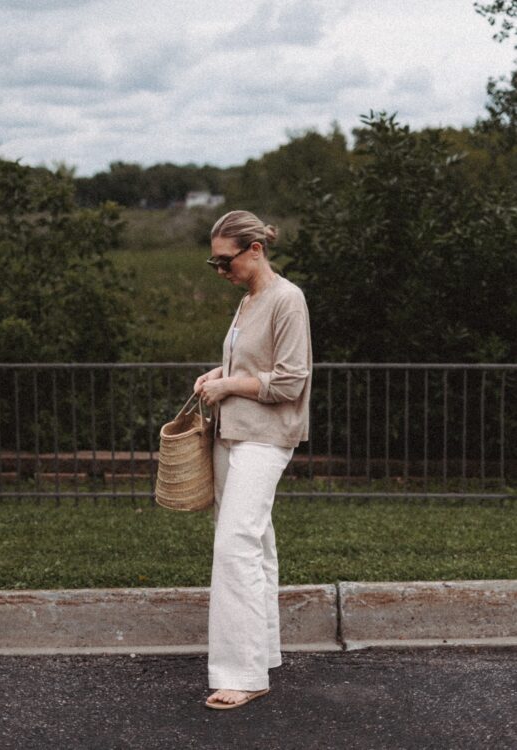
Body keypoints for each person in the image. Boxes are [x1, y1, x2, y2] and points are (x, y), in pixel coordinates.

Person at [193, 210, 312, 710]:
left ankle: (242, 673)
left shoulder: (287, 299)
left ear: (256, 249)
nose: (221, 272)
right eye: (214, 263)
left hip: (266, 437)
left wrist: (229, 385)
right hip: (233, 433)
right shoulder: (248, 301)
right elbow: (253, 363)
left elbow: (290, 380)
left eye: (227, 261)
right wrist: (218, 373)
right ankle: (260, 655)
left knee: (235, 544)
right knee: (255, 542)